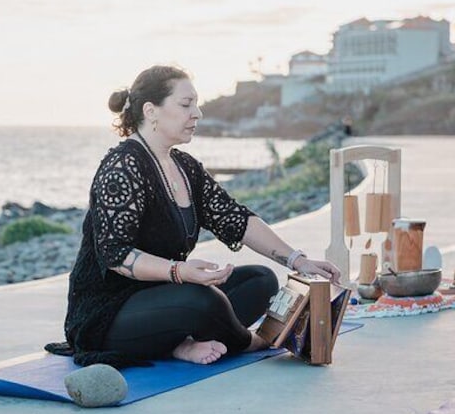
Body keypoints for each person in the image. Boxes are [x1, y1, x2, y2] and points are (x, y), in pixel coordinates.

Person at [53, 65, 340, 368]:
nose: (198, 113)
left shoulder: (185, 167)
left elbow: (235, 219)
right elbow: (116, 256)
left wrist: (297, 260)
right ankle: (247, 341)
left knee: (260, 280)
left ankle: (181, 344)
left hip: (165, 297)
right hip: (109, 313)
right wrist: (180, 272)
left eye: (196, 104)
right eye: (186, 104)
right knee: (203, 302)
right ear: (151, 111)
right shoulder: (123, 167)